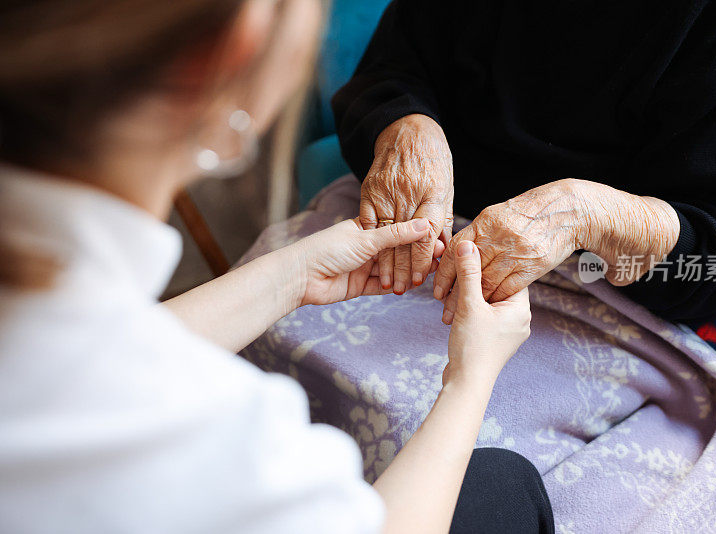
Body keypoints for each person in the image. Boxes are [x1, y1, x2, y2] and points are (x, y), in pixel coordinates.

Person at [0, 0, 554, 532]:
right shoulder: (223, 438)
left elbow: (97, 356)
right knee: (504, 487)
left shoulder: (58, 337)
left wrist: (294, 273)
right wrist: (470, 376)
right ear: (228, 48)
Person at [333, 0, 716, 325]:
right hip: (418, 221)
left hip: (600, 284)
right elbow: (390, 68)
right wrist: (407, 129)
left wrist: (586, 215)